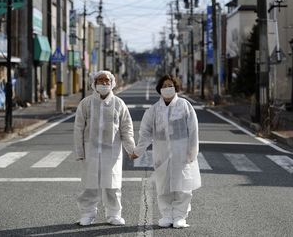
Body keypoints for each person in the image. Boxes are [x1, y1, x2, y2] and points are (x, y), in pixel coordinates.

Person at [131, 75, 201, 228]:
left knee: (183, 187)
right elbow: (145, 132)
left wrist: (192, 151)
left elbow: (193, 130)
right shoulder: (154, 110)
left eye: (170, 85)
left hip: (182, 152)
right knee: (163, 187)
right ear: (160, 89)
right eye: (164, 86)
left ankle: (180, 216)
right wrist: (138, 150)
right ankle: (167, 215)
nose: (167, 88)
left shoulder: (185, 106)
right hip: (161, 153)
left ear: (175, 87)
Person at [74, 70, 136, 226]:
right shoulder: (86, 103)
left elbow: (126, 128)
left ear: (112, 83)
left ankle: (114, 214)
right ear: (94, 84)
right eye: (100, 81)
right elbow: (78, 128)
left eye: (107, 81)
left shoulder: (119, 104)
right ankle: (87, 214)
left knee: (112, 185)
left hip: (112, 151)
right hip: (90, 150)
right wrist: (79, 152)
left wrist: (131, 149)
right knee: (89, 185)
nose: (103, 83)